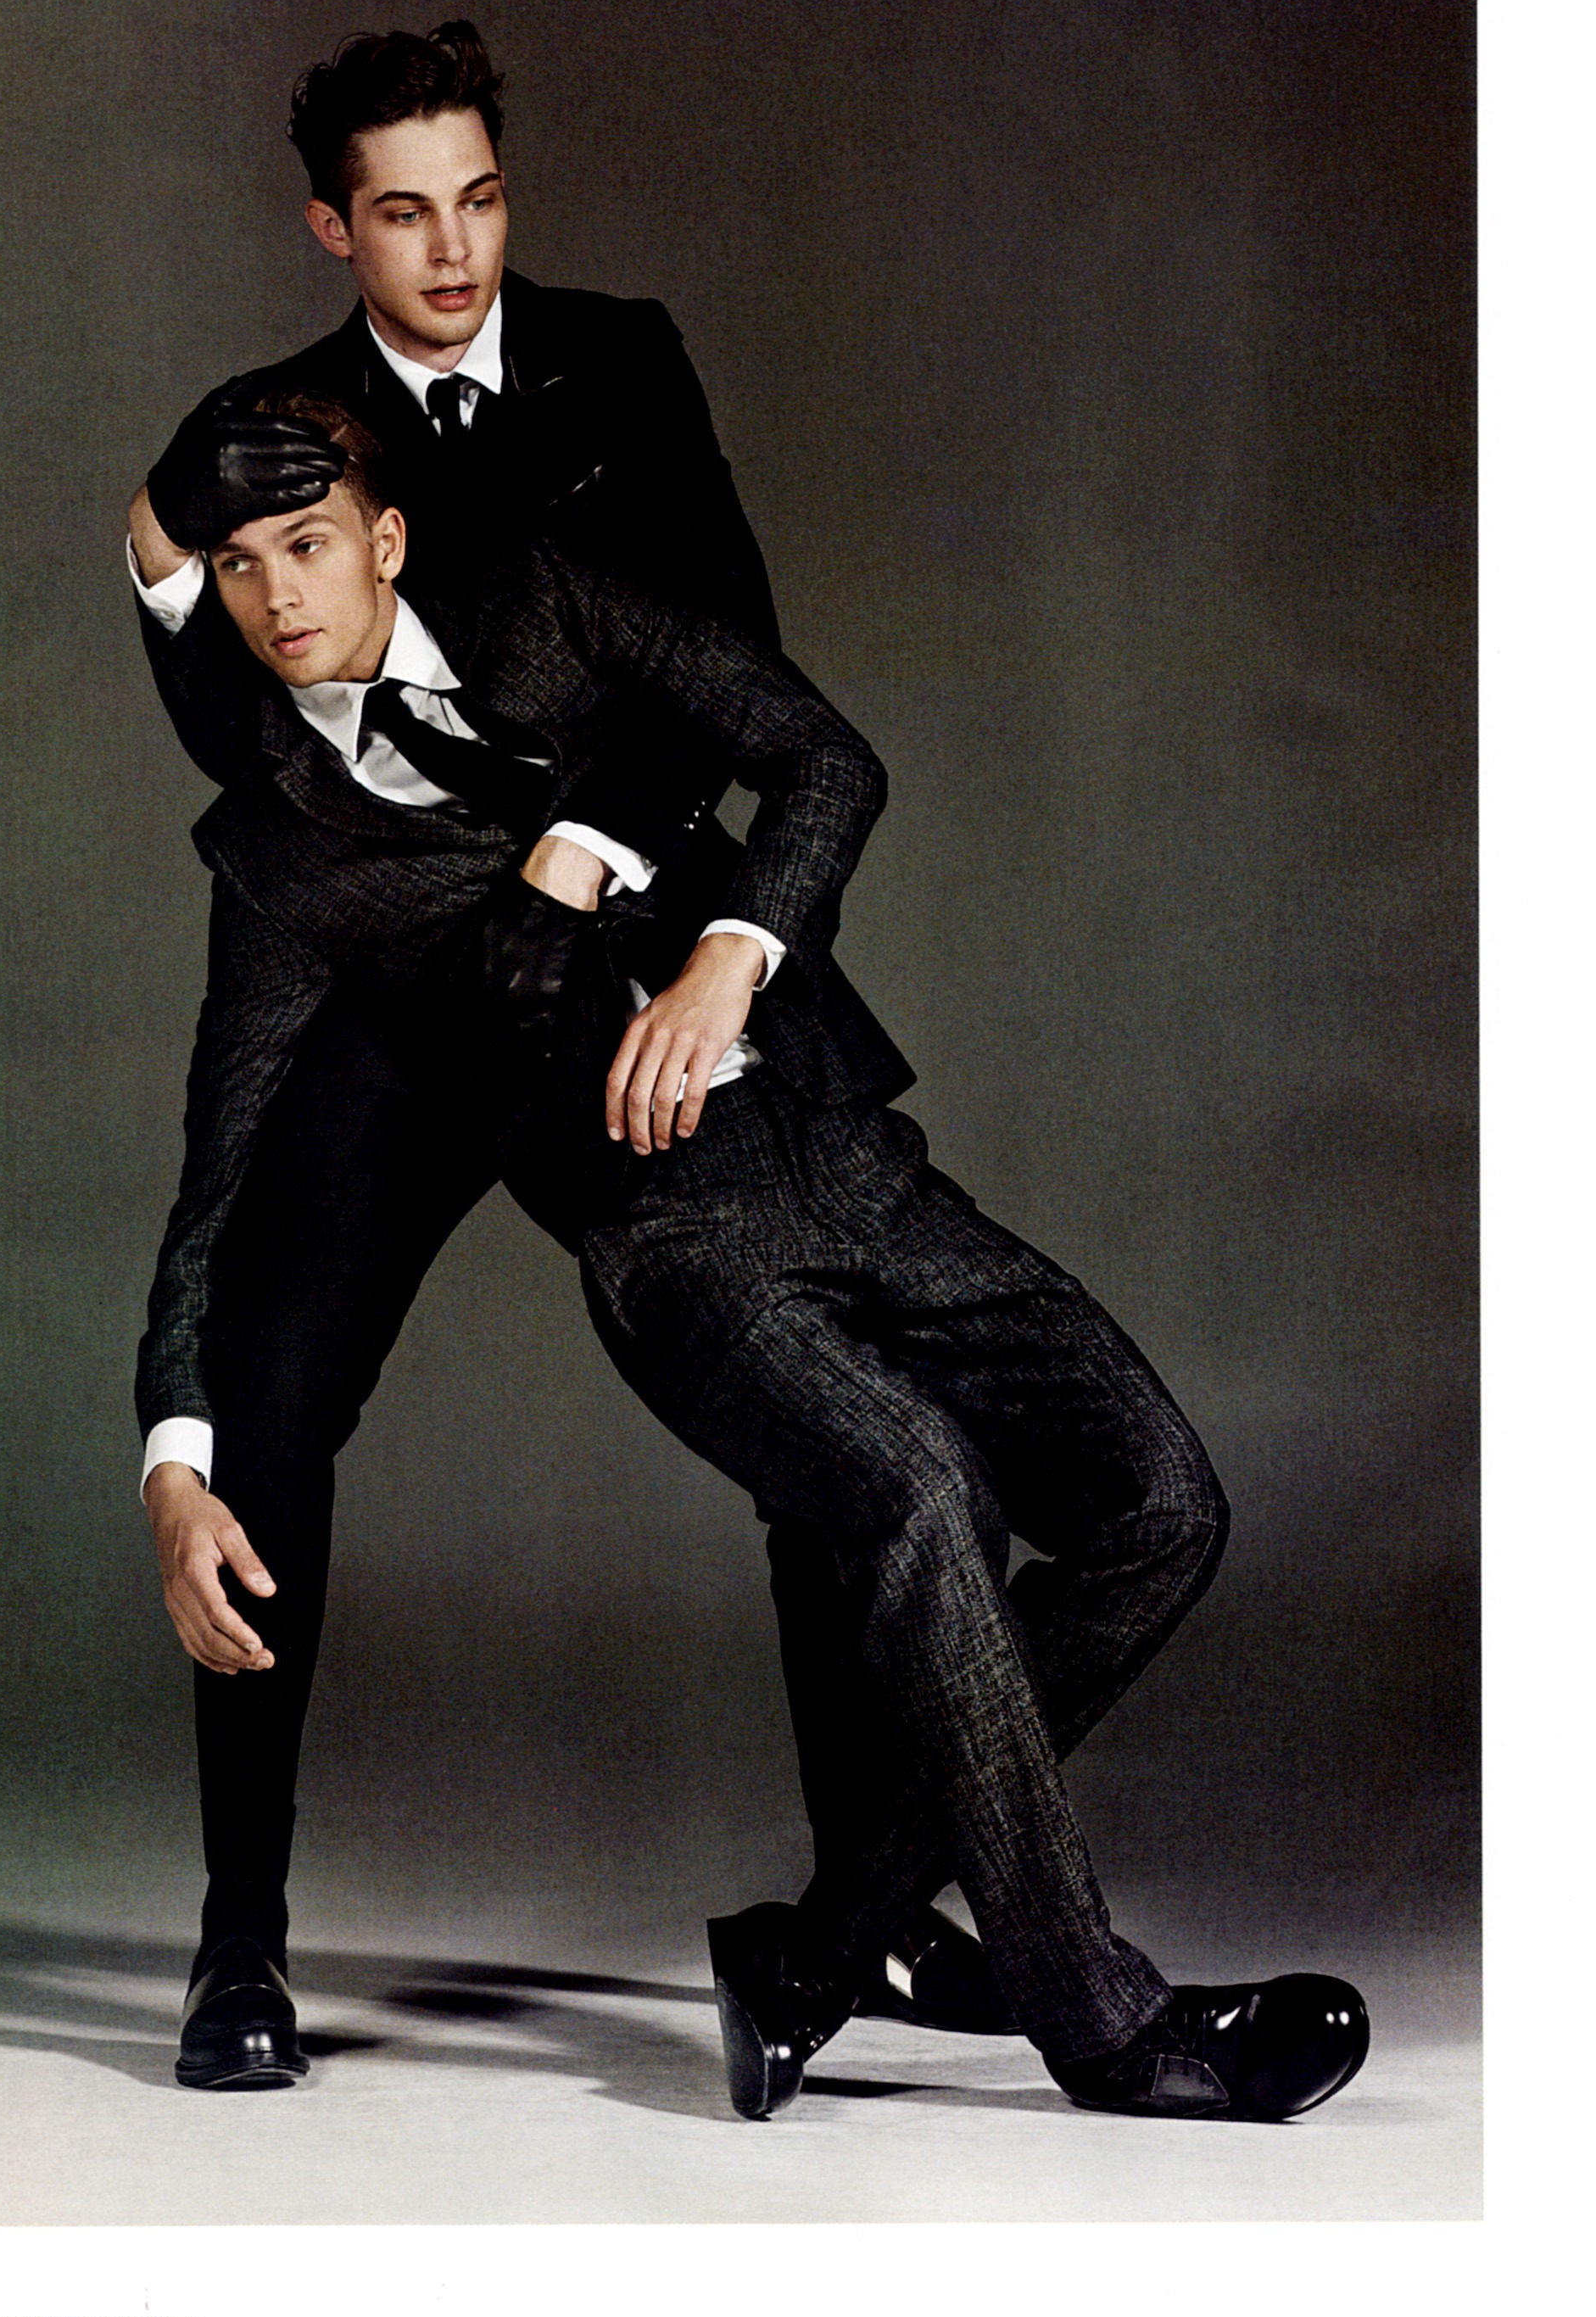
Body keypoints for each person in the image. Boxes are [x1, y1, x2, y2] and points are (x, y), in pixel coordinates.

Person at [137, 392, 1370, 2123]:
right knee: (923, 1493)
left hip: (849, 1153)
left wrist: (733, 950)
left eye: (309, 544)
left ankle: (817, 1953)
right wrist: (174, 1462)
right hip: (676, 1244)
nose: (278, 595)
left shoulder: (549, 604)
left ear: (385, 540)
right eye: (238, 565)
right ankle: (1102, 2025)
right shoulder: (281, 853)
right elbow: (221, 1175)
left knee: (1161, 1506)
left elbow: (822, 757)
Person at [133, 17, 1012, 2046]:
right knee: (269, 1389)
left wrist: (592, 850)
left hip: (611, 951)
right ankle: (239, 1940)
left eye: (479, 200)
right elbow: (231, 714)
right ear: (330, 227)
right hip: (395, 983)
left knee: (810, 1377)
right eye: (401, 214)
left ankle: (865, 1914)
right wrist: (153, 543)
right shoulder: (275, 437)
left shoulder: (623, 355)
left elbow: (727, 647)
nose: (452, 252)